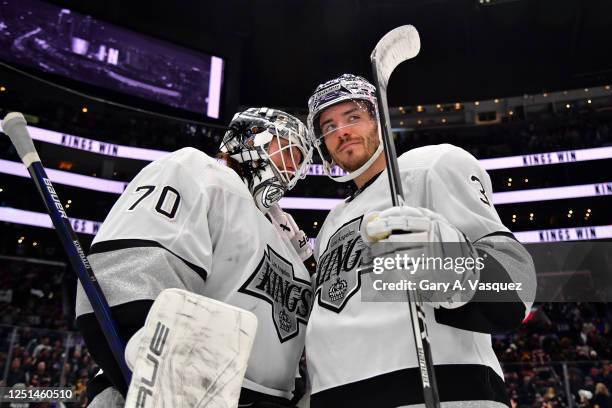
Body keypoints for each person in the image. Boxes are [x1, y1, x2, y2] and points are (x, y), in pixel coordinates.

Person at [303, 74, 537, 407]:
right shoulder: (331, 222)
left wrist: (452, 265)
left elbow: (517, 285)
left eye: (353, 117)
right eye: (328, 126)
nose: (341, 132)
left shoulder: (430, 166)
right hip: (336, 396)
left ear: (379, 121)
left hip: (435, 388)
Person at [75, 107, 315, 407]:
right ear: (253, 139)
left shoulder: (287, 229)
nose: (293, 169)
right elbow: (129, 281)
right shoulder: (199, 171)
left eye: (300, 162)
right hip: (192, 390)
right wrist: (162, 371)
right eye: (289, 153)